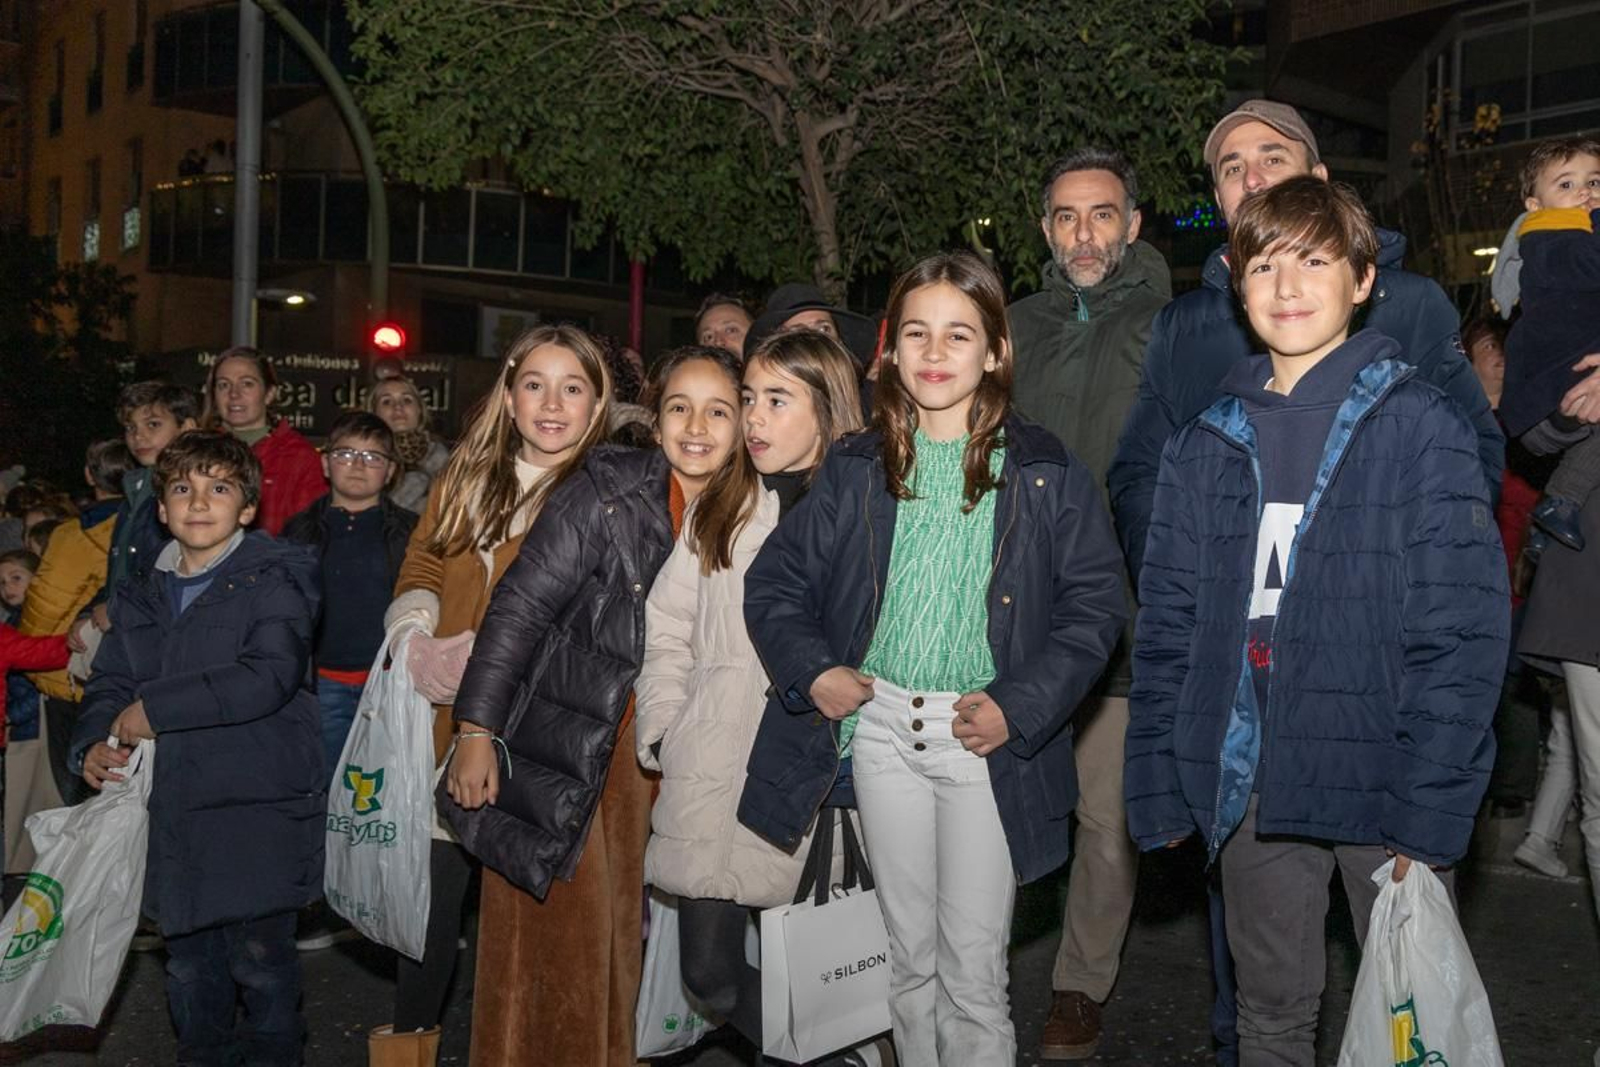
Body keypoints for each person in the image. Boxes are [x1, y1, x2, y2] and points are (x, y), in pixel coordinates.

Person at [1105, 98, 1504, 1066]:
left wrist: (1430, 807)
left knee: (1404, 1017)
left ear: (1363, 280)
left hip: (1379, 772)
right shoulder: (1205, 441)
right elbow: (1170, 627)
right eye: (1264, 265)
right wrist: (1158, 776)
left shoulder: (1418, 425)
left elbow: (1460, 634)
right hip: (1251, 780)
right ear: (1236, 283)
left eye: (1314, 261)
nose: (1287, 286)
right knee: (1270, 1014)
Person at [738, 251, 1126, 1064]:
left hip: (982, 741)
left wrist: (1020, 704)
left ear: (995, 350)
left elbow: (1096, 610)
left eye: (959, 333)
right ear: (891, 348)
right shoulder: (856, 465)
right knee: (908, 963)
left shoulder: (1045, 469)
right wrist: (814, 668)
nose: (936, 351)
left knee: (972, 975)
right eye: (917, 332)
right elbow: (775, 582)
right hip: (882, 733)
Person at [444, 345, 746, 1065]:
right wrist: (476, 728)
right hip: (574, 743)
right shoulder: (607, 489)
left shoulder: (751, 510)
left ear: (744, 424)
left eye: (718, 411)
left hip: (674, 760)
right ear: (654, 418)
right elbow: (518, 607)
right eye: (679, 407)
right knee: (556, 956)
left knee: (620, 955)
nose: (696, 427)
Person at [373, 324, 614, 1065]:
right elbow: (424, 561)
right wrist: (415, 635)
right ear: (509, 397)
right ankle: (409, 1051)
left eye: (572, 388)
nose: (552, 404)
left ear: (597, 402)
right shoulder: (466, 476)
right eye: (534, 385)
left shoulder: (609, 494)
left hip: (539, 739)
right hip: (445, 723)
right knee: (430, 912)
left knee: (526, 933)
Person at [634, 329, 865, 1051]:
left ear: (827, 409)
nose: (754, 418)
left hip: (815, 779)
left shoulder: (866, 512)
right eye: (750, 399)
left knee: (826, 975)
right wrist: (667, 726)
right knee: (710, 975)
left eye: (776, 400)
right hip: (713, 768)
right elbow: (668, 626)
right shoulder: (724, 505)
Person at [71, 431, 325, 1067]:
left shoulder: (275, 582)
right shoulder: (140, 594)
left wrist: (155, 711)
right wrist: (92, 742)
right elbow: (110, 681)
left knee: (261, 966)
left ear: (248, 507)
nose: (200, 502)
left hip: (256, 806)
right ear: (162, 509)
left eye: (220, 488)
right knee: (189, 969)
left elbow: (268, 674)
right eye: (183, 489)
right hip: (175, 812)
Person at [1008, 146, 1171, 1060]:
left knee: (1106, 819)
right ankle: (971, 966)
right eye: (1067, 216)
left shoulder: (1168, 325)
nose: (1084, 234)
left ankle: (1080, 984)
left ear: (1132, 224)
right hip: (1011, 613)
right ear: (1045, 228)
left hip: (1119, 616)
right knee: (995, 803)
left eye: (1102, 214)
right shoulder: (1012, 325)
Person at [282, 412, 418, 780]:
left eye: (373, 457)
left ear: (390, 471)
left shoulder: (412, 531)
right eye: (345, 454)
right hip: (322, 683)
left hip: (389, 683)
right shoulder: (299, 530)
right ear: (325, 463)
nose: (358, 465)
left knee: (384, 787)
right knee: (324, 782)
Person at [1493, 137, 1600, 552]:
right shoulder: (1548, 237)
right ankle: (1560, 503)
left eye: (1594, 182)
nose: (1585, 193)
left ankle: (1555, 511)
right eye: (1567, 185)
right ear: (1535, 205)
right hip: (1557, 371)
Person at [18, 439, 133, 808]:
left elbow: (42, 608)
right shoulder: (143, 526)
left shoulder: (68, 533)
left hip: (65, 676)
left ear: (88, 475)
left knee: (74, 792)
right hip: (118, 678)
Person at [202, 346, 326, 536]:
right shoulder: (196, 452)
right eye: (224, 385)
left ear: (269, 394)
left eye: (247, 384)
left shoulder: (299, 457)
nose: (234, 394)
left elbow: (307, 536)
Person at [742, 282, 880, 370]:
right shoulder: (762, 404)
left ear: (841, 343)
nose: (815, 339)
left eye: (824, 329)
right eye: (799, 332)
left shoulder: (873, 403)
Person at [367, 376, 450, 515]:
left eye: (406, 400)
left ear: (419, 410)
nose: (398, 407)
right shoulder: (363, 460)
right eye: (387, 402)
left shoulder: (445, 464)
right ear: (374, 413)